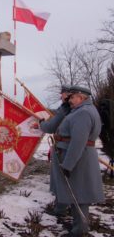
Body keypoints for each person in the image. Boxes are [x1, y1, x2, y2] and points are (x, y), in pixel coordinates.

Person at [53, 86, 105, 236]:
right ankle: (78, 227)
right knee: (77, 192)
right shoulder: (83, 110)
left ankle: (79, 230)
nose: (70, 100)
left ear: (81, 97)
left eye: (72, 97)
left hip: (78, 159)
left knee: (79, 195)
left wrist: (68, 165)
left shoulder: (83, 113)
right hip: (80, 157)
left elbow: (78, 143)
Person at [40, 84, 72, 216]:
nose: (61, 96)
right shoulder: (76, 108)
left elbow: (50, 127)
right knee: (66, 180)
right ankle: (62, 207)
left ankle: (60, 209)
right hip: (68, 146)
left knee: (61, 179)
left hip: (64, 148)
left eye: (63, 93)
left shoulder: (66, 108)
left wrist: (42, 123)